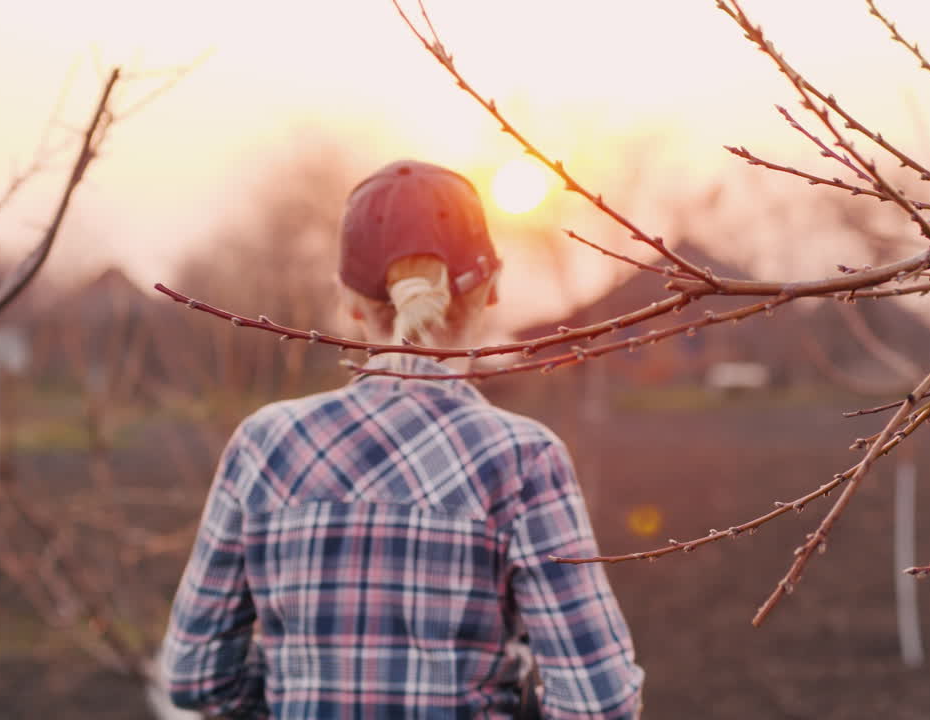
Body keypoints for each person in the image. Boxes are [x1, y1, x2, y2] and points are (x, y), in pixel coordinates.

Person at [161, 160, 644, 719]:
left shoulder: (263, 445)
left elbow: (193, 678)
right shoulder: (522, 459)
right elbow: (599, 704)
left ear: (348, 301)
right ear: (491, 290)